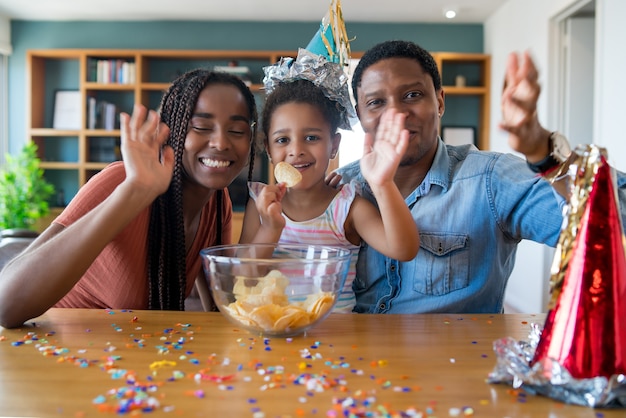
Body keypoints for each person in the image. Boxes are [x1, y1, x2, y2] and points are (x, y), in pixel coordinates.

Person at [330, 40, 626, 314]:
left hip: (458, 365)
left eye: (412, 95)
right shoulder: (342, 189)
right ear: (360, 115)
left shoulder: (490, 180)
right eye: (376, 102)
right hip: (350, 364)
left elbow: (616, 221)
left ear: (440, 102)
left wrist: (544, 151)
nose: (396, 114)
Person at [0, 69, 259, 328]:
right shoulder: (121, 180)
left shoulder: (217, 201)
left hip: (130, 359)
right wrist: (135, 191)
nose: (221, 143)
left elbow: (225, 308)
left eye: (237, 131)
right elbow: (5, 305)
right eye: (201, 127)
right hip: (52, 353)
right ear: (170, 131)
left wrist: (264, 231)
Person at [239, 51, 419, 313]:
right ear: (268, 147)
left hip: (336, 339)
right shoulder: (260, 205)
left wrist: (383, 184)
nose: (296, 150)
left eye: (311, 138)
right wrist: (270, 228)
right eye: (282, 140)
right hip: (273, 338)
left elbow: (403, 249)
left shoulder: (347, 207)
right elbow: (243, 278)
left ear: (333, 145)